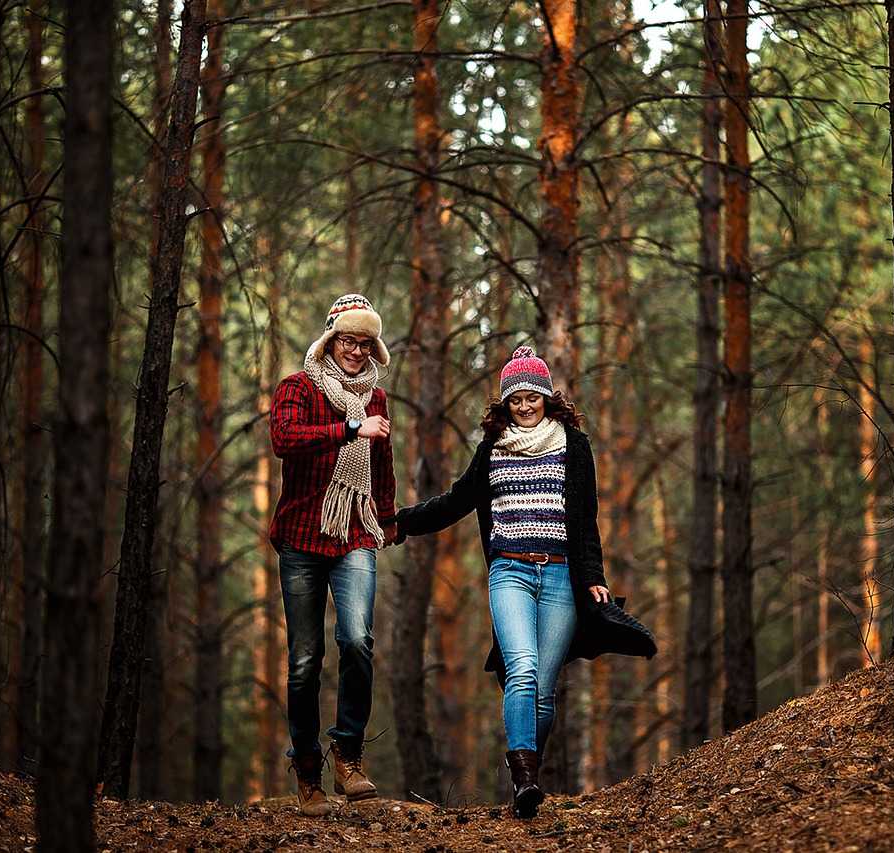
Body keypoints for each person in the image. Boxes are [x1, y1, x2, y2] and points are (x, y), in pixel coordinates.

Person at [394, 345, 654, 819]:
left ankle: (526, 774)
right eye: (516, 398)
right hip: (509, 572)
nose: (526, 404)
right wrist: (402, 523)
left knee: (546, 690)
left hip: (561, 577)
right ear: (505, 403)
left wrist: (593, 577)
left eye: (533, 395)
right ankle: (525, 782)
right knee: (524, 671)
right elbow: (454, 502)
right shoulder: (491, 450)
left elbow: (586, 519)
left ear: (547, 397)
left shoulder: (575, 446)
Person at [269, 293, 397, 816]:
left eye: (366, 344)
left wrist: (387, 519)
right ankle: (307, 774)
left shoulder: (377, 399)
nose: (356, 352)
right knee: (304, 661)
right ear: (330, 340)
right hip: (301, 536)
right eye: (349, 341)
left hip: (354, 536)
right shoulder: (297, 388)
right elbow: (285, 439)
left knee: (358, 639)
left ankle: (347, 755)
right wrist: (347, 427)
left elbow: (382, 462)